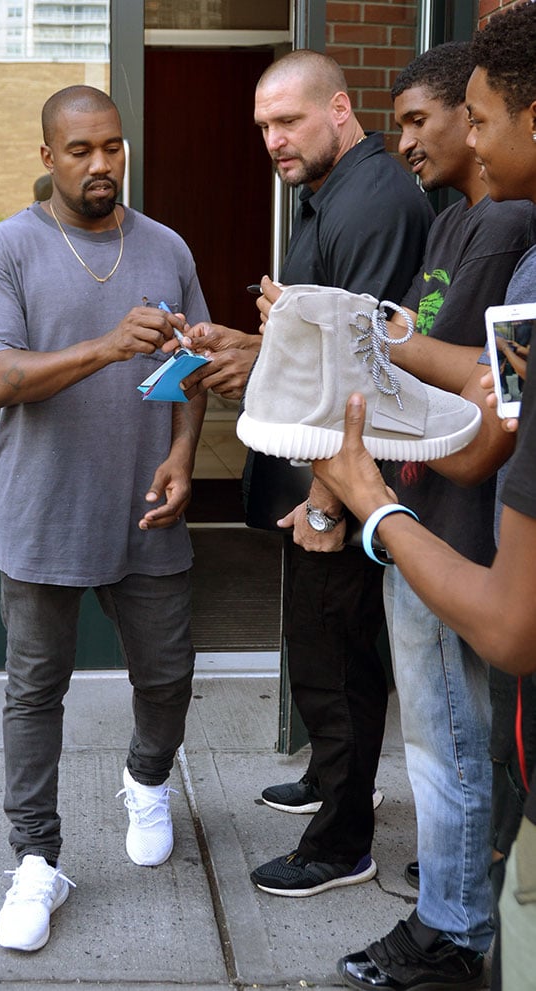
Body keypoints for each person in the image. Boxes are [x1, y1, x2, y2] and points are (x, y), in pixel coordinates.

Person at [0, 85, 209, 952]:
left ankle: (146, 777)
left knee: (167, 673)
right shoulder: (6, 249)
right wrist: (104, 345)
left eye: (115, 147)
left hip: (147, 507)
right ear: (48, 156)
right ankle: (35, 859)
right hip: (43, 513)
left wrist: (180, 454)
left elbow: (194, 369)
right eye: (83, 150)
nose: (102, 165)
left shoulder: (165, 246)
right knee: (35, 693)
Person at [308, 6, 536, 989]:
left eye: (476, 118)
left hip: (454, 544)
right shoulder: (484, 241)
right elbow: (485, 392)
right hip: (444, 537)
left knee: (452, 747)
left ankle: (453, 928)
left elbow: (488, 430)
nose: (467, 141)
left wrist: (368, 500)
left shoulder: (517, 248)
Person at [184, 49, 433, 898]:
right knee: (320, 648)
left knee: (342, 657)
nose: (272, 141)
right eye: (262, 127)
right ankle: (333, 782)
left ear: (338, 108)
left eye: (286, 121)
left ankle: (341, 841)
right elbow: (319, 341)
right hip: (318, 473)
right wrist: (253, 346)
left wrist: (327, 503)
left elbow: (361, 370)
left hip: (344, 480)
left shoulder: (375, 201)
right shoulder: (329, 195)